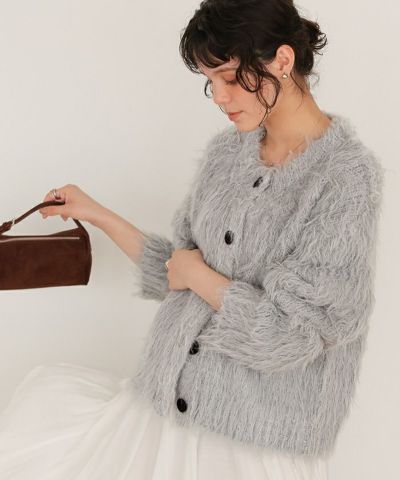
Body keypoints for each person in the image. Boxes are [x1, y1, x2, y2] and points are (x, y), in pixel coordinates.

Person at [0, 1, 384, 479]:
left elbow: (294, 334)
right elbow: (175, 272)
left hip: (250, 443)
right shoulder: (226, 153)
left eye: (229, 77)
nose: (219, 97)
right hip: (159, 414)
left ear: (282, 61)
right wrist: (94, 212)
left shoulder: (345, 180)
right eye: (209, 82)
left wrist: (199, 276)